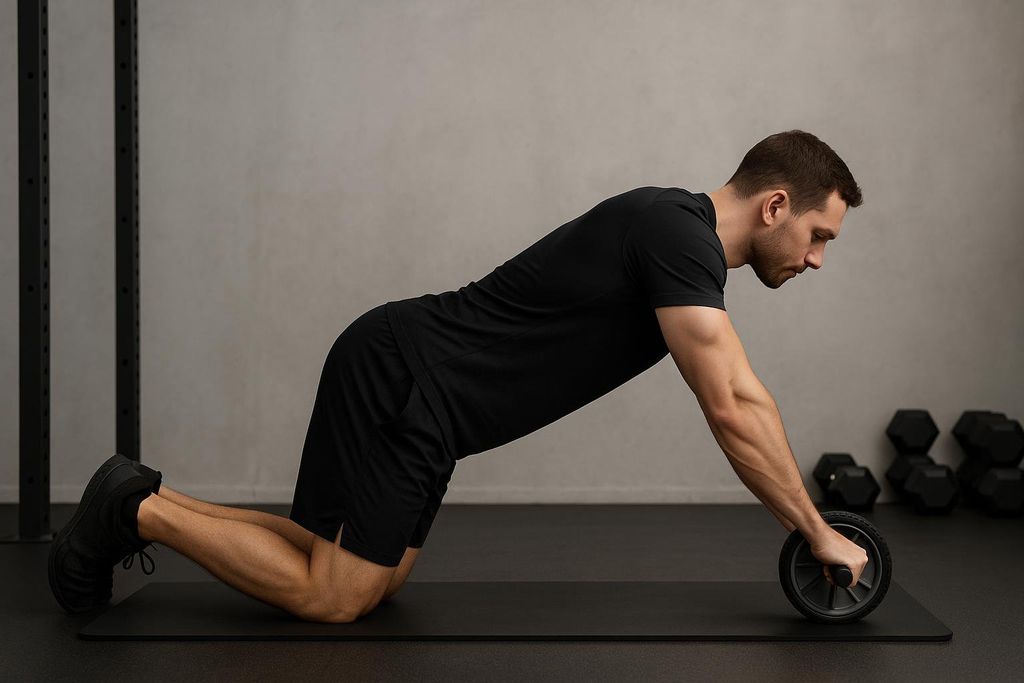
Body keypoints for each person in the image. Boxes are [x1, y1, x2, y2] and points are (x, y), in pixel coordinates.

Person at [49, 129, 869, 623]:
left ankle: (133, 494)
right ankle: (138, 510)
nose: (818, 257)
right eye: (819, 234)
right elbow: (732, 403)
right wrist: (814, 528)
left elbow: (733, 396)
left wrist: (808, 522)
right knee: (335, 597)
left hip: (421, 391)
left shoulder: (676, 238)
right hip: (408, 378)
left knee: (370, 580)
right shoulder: (675, 234)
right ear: (774, 206)